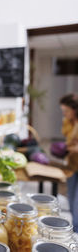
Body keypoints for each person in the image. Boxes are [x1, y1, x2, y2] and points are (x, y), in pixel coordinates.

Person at [60, 93, 78, 232]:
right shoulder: (69, 121)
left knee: (77, 201)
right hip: (72, 164)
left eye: (66, 111)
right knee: (71, 198)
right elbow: (68, 138)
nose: (64, 113)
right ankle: (74, 228)